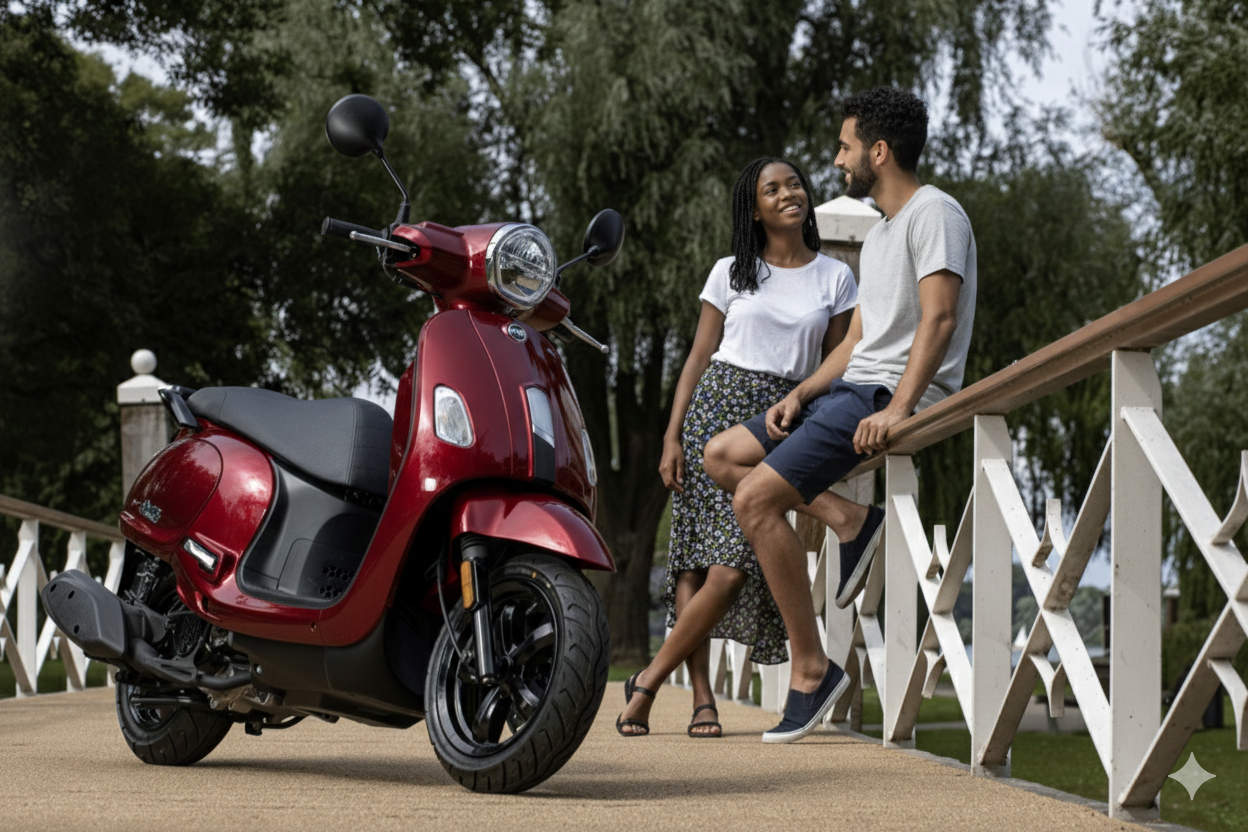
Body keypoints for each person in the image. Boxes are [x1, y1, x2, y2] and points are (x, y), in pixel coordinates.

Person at [703, 87, 977, 743]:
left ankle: (811, 670)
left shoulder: (935, 214)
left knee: (756, 503)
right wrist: (800, 394)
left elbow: (938, 316)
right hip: (848, 388)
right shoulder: (882, 233)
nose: (836, 160)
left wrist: (901, 407)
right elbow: (857, 339)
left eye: (846, 146)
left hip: (881, 398)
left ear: (878, 152)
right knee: (721, 456)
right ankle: (851, 520)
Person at [615, 157, 858, 737]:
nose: (787, 194)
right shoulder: (730, 271)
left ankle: (647, 680)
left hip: (779, 418)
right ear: (754, 209)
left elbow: (836, 363)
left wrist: (808, 412)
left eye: (794, 183)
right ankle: (702, 699)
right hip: (713, 412)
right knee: (697, 563)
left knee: (732, 568)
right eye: (771, 190)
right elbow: (698, 358)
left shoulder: (835, 278)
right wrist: (673, 436)